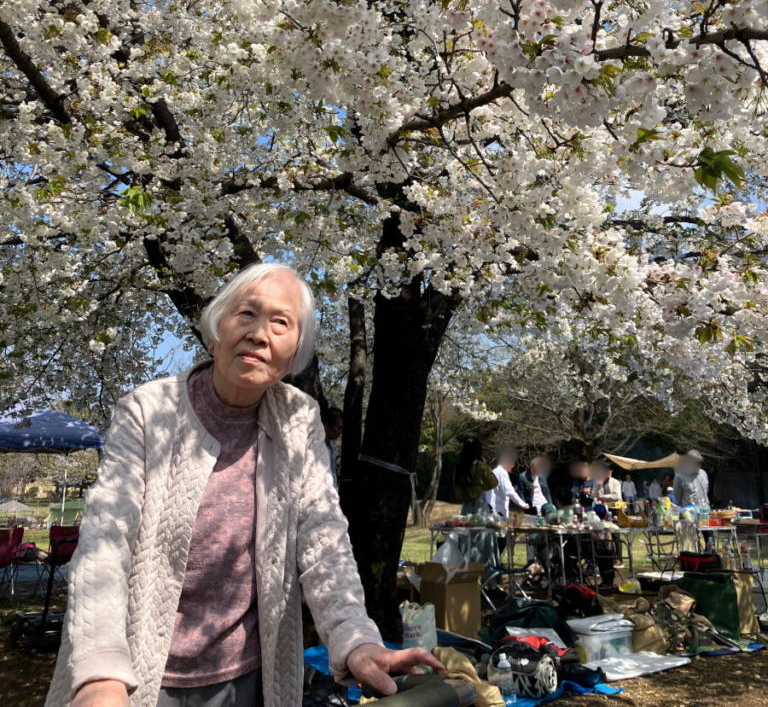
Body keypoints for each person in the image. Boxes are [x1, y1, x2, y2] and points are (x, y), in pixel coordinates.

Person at [46, 263, 441, 707]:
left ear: (292, 356)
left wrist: (356, 637)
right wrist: (101, 672)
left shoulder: (300, 420)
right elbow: (104, 543)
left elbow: (323, 540)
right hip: (135, 677)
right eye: (246, 314)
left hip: (251, 680)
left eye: (280, 322)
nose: (259, 334)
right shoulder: (147, 412)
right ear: (215, 332)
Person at [453, 438, 499, 565]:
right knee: (483, 540)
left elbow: (457, 492)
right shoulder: (481, 466)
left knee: (466, 540)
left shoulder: (459, 467)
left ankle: (465, 574)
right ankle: (487, 578)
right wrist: (485, 465)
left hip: (466, 508)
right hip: (480, 507)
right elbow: (494, 482)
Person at [487, 446, 529, 517]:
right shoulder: (502, 473)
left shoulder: (494, 471)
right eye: (511, 467)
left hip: (490, 509)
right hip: (498, 511)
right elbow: (510, 491)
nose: (511, 470)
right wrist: (523, 504)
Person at [321, 405, 343, 488]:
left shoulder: (331, 446)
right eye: (338, 428)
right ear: (327, 425)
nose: (340, 432)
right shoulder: (316, 446)